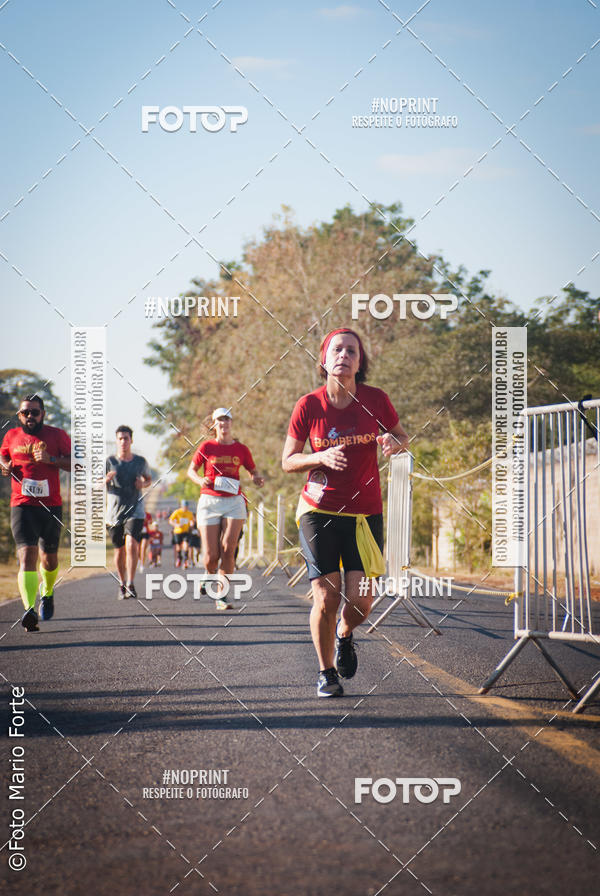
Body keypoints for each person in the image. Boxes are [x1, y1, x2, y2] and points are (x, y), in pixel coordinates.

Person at [282, 328, 409, 697]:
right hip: (318, 510)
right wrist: (318, 456)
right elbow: (288, 461)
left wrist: (392, 442)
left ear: (359, 361)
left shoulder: (376, 400)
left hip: (364, 513)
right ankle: (325, 673)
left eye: (352, 351)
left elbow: (402, 436)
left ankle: (344, 634)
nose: (344, 355)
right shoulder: (309, 405)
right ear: (324, 360)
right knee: (326, 594)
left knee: (362, 600)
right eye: (337, 349)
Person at [0, 395, 71, 631]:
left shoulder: (57, 435)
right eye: (25, 412)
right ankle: (29, 609)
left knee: (49, 560)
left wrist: (52, 460)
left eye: (34, 412)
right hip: (21, 504)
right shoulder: (11, 436)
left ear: (43, 413)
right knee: (26, 555)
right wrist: (5, 467)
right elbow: (3, 456)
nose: (30, 416)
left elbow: (78, 464)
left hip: (50, 506)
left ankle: (48, 591)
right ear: (20, 415)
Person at [187, 407, 263, 609]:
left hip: (234, 502)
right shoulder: (206, 447)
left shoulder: (241, 449)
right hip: (209, 501)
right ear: (214, 424)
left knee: (229, 549)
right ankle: (209, 573)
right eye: (220, 420)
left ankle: (221, 596)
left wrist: (255, 477)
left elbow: (252, 469)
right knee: (211, 556)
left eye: (227, 419)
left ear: (231, 423)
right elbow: (191, 471)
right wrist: (199, 480)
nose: (224, 423)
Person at [105, 426, 152, 599]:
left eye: (126, 438)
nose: (123, 441)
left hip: (135, 510)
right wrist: (106, 479)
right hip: (114, 514)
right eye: (120, 438)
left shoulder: (140, 461)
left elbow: (148, 480)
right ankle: (122, 582)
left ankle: (131, 583)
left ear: (131, 440)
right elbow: (95, 483)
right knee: (119, 551)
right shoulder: (109, 461)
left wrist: (143, 484)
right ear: (116, 441)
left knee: (132, 544)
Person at [168, 500, 195, 568]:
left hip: (186, 531)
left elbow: (192, 520)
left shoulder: (189, 513)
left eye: (186, 506)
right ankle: (179, 558)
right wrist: (176, 525)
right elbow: (170, 520)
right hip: (177, 532)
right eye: (184, 506)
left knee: (186, 545)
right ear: (181, 506)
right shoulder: (177, 512)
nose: (185, 508)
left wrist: (192, 524)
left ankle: (186, 561)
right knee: (178, 546)